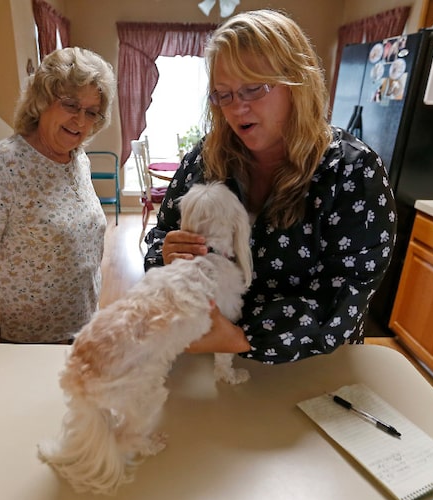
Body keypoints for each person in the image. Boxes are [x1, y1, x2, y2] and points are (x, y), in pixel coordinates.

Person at [144, 9, 396, 364]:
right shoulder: (205, 160)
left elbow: (345, 294)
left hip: (311, 366)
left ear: (298, 83)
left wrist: (239, 337)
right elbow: (163, 236)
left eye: (253, 89)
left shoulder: (352, 173)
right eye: (223, 95)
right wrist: (167, 260)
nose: (237, 108)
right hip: (210, 354)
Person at [0, 47, 116, 344]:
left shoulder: (78, 157)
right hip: (31, 340)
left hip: (84, 325)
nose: (81, 121)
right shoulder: (4, 163)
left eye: (91, 112)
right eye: (71, 105)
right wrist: (16, 308)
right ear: (43, 101)